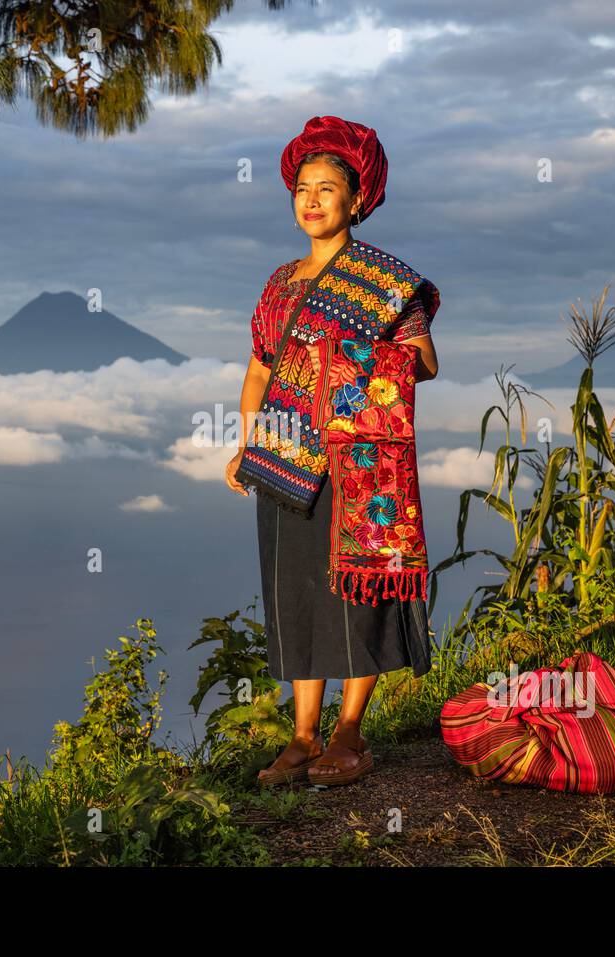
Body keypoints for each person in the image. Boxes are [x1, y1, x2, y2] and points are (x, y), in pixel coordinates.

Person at [225, 115, 441, 787]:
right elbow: (259, 370)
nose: (312, 200)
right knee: (296, 594)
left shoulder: (384, 280)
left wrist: (339, 364)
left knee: (358, 594)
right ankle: (302, 735)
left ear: (356, 200)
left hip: (359, 462)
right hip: (285, 457)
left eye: (327, 188)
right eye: (302, 188)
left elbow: (423, 360)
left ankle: (350, 734)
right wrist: (248, 443)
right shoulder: (279, 283)